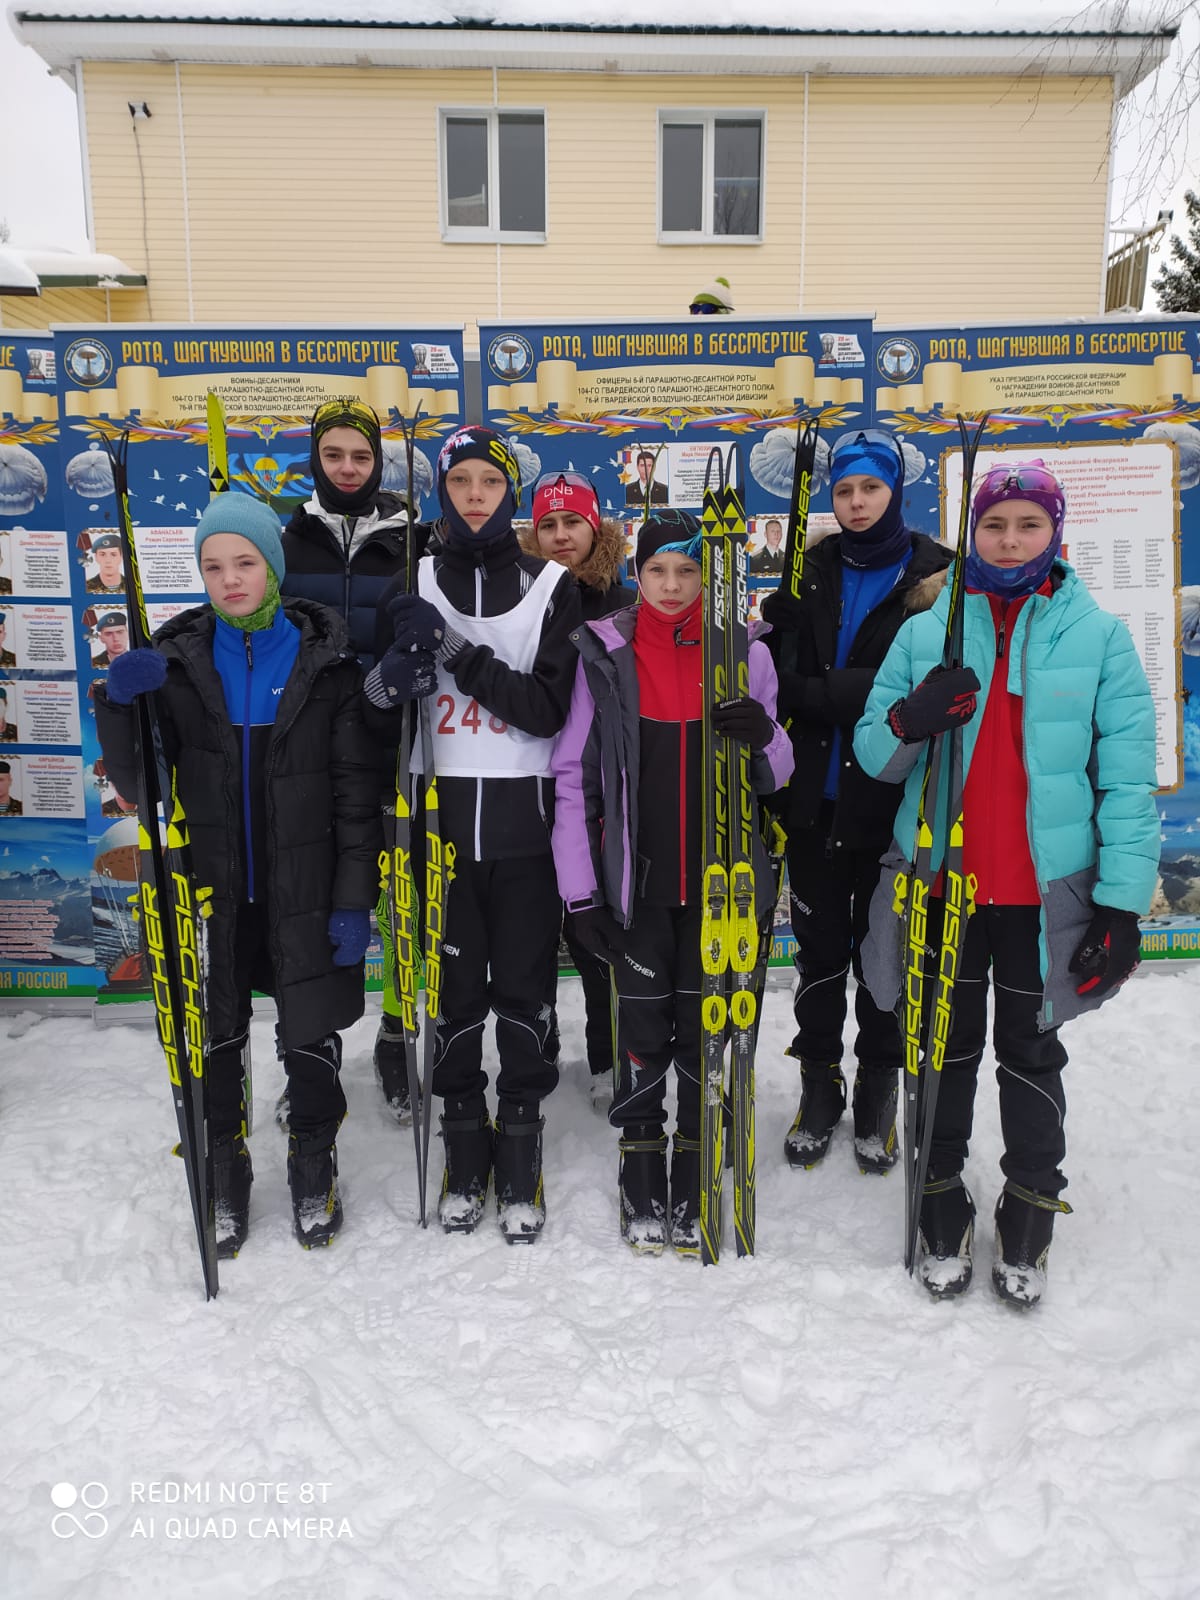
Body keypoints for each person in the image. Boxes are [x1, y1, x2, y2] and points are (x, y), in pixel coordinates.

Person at [854, 459, 1159, 1306]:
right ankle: (940, 1193)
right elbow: (873, 756)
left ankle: (1030, 1199)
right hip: (941, 886)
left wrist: (1121, 906)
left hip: (1041, 899)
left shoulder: (1098, 636)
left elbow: (1126, 784)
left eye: (1028, 524)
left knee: (1028, 1054)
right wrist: (912, 719)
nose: (1011, 539)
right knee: (944, 1051)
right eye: (995, 525)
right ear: (973, 533)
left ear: (1055, 532)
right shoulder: (928, 631)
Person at [94, 493, 381, 1257]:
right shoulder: (177, 664)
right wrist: (123, 707)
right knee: (213, 1039)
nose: (229, 580)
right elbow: (139, 786)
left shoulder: (329, 665)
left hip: (307, 892)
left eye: (244, 563)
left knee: (310, 1042)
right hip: (209, 892)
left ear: (273, 568)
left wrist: (356, 901)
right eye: (213, 567)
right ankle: (225, 1173)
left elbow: (358, 801)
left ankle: (312, 1167)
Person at [550, 511, 793, 1256]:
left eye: (688, 571)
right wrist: (581, 893)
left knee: (703, 1035)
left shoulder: (745, 655)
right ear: (637, 573)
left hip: (722, 887)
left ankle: (695, 1154)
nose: (672, 584)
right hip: (639, 889)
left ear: (710, 577)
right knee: (643, 1031)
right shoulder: (605, 652)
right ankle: (641, 1156)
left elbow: (776, 777)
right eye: (657, 569)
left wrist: (767, 739)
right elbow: (571, 780)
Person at [365, 425, 583, 1242]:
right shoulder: (409, 576)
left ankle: (519, 1139)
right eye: (459, 482)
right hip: (439, 820)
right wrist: (390, 684)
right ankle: (464, 1143)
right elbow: (372, 707)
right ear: (444, 492)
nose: (474, 495)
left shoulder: (553, 584)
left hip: (525, 820)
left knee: (523, 989)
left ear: (509, 491)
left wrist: (454, 651)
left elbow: (548, 709)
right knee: (455, 996)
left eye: (488, 481)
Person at [762, 429, 952, 1176]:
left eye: (869, 489)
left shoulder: (937, 577)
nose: (856, 502)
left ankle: (877, 1087)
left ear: (893, 491)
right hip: (814, 798)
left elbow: (908, 694)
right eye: (843, 491)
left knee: (886, 959)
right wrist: (784, 652)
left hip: (892, 803)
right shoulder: (811, 573)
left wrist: (822, 693)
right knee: (817, 959)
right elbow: (779, 685)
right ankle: (820, 1086)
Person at [281, 397, 426, 1124]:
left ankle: (398, 1035)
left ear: (379, 462)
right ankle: (313, 1043)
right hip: (307, 743)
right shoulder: (287, 538)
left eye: (361, 456)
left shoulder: (411, 541)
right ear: (316, 457)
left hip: (389, 735)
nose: (347, 468)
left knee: (399, 891)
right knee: (312, 894)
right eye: (335, 454)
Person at [519, 470, 637, 1113]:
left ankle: (607, 1050)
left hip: (594, 787)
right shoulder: (518, 596)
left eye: (573, 523)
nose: (561, 535)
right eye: (549, 524)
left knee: (596, 922)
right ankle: (536, 1042)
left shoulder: (622, 603)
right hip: (522, 777)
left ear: (597, 529)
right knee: (533, 925)